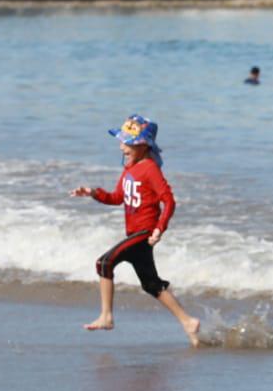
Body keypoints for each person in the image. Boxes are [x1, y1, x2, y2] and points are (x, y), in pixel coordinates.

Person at [69, 115, 200, 346]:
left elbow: (168, 200)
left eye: (127, 142)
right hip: (134, 234)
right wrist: (92, 192)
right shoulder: (129, 168)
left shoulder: (149, 169)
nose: (121, 146)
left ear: (143, 145)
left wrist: (160, 229)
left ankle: (107, 317)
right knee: (151, 285)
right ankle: (188, 322)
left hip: (144, 234)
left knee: (104, 263)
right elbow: (117, 197)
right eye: (121, 141)